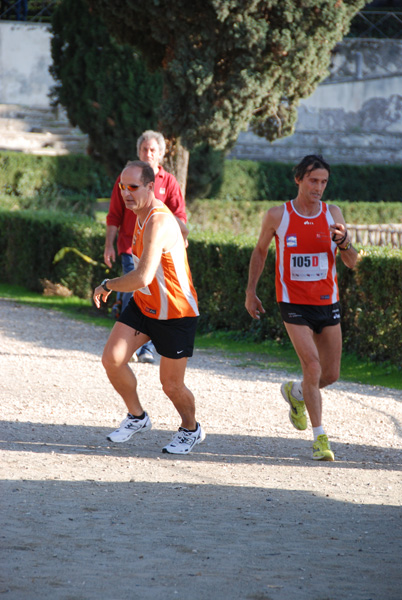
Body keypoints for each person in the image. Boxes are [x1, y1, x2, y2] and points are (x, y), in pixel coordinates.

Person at [245, 155, 358, 461]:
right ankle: (320, 439)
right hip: (292, 303)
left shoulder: (332, 214)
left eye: (323, 182)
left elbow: (353, 262)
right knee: (313, 366)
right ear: (298, 180)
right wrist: (251, 292)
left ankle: (296, 393)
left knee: (330, 374)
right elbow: (260, 251)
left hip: (326, 302)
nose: (318, 187)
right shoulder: (277, 215)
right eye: (312, 181)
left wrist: (345, 243)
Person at [94, 160, 205, 455]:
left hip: (176, 312)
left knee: (171, 385)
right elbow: (146, 281)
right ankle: (137, 417)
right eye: (122, 187)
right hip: (145, 305)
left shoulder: (158, 220)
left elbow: (141, 276)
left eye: (133, 187)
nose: (126, 193)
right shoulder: (139, 215)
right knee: (112, 359)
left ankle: (191, 430)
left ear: (150, 187)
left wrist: (107, 285)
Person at [104, 130, 188, 364]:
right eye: (144, 149)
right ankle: (127, 344)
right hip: (129, 248)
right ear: (138, 151)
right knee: (133, 292)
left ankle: (147, 347)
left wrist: (180, 237)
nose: (148, 153)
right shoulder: (125, 180)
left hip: (157, 250)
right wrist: (108, 245)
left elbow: (179, 215)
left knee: (152, 294)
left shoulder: (169, 182)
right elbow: (114, 215)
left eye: (153, 150)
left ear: (161, 154)